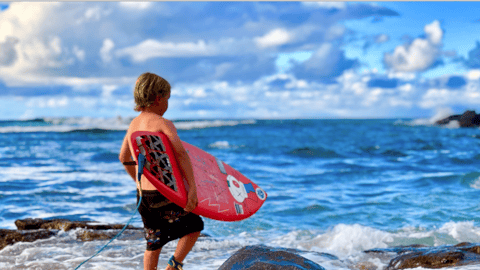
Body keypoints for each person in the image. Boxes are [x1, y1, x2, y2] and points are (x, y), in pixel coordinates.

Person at [119, 72, 203, 270]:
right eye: (167, 99)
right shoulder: (164, 124)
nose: (167, 104)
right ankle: (174, 266)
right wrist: (192, 189)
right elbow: (181, 155)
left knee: (153, 242)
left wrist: (138, 181)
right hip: (163, 193)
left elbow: (124, 158)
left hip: (143, 196)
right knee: (194, 225)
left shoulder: (133, 124)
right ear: (158, 98)